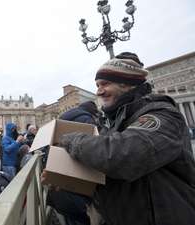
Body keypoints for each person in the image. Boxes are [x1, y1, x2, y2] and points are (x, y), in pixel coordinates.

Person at [58, 52, 195, 225]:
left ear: (127, 84)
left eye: (105, 84)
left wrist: (73, 140)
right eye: (97, 85)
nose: (99, 91)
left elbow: (121, 155)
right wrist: (68, 184)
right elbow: (107, 176)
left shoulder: (162, 114)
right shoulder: (115, 121)